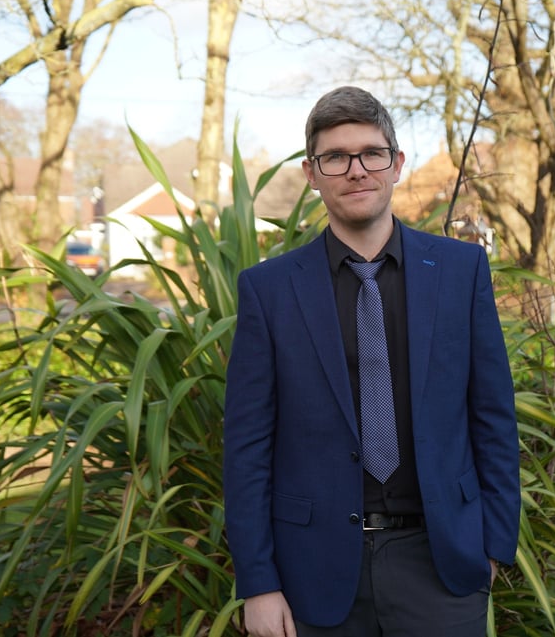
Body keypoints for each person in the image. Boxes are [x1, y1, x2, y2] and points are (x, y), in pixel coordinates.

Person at [223, 86, 521, 637]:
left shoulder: (460, 272)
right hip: (313, 572)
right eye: (335, 157)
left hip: (443, 565)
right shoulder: (268, 290)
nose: (356, 170)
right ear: (312, 174)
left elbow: (493, 417)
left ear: (397, 164)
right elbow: (247, 449)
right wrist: (259, 584)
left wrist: (494, 546)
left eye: (371, 153)